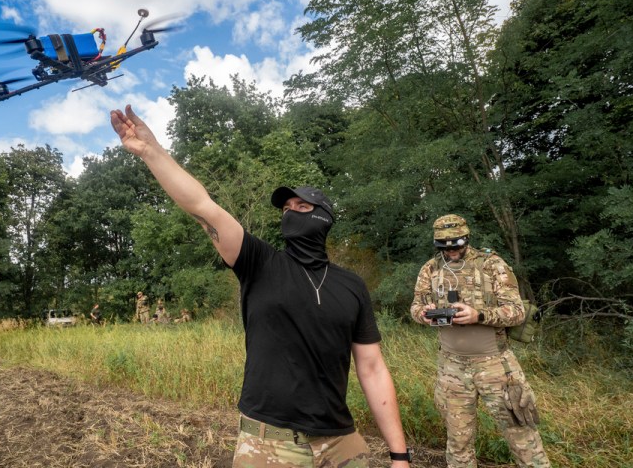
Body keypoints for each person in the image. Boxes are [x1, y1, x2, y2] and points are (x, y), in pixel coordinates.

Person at [110, 105, 411, 466]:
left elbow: (372, 368)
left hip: (341, 440)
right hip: (270, 442)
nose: (289, 212)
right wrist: (151, 152)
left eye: (301, 206)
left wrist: (399, 455)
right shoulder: (259, 262)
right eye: (285, 208)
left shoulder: (352, 286)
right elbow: (203, 206)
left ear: (324, 217)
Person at [411, 214, 550, 468]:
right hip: (451, 368)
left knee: (522, 436)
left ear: (467, 239)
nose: (451, 251)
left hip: (495, 365)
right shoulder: (430, 269)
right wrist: (423, 314)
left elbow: (517, 311)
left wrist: (480, 315)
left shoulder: (491, 264)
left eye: (457, 244)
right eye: (445, 247)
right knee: (458, 442)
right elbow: (415, 307)